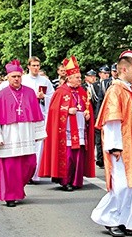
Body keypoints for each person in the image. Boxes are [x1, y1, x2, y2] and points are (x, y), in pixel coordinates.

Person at [91, 52, 132, 237]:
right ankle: (108, 218)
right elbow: (112, 120)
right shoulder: (115, 90)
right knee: (122, 185)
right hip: (121, 147)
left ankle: (124, 220)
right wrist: (114, 146)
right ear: (123, 69)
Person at [0, 60, 46, 207]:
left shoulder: (30, 92)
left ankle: (17, 188)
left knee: (31, 164)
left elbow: (37, 114)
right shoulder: (1, 95)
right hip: (9, 136)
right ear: (8, 77)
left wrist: (39, 134)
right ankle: (10, 196)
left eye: (18, 76)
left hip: (26, 134)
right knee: (10, 169)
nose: (16, 79)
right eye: (13, 76)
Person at [40, 56, 95, 191]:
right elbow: (53, 110)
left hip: (81, 130)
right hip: (66, 132)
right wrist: (66, 111)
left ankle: (76, 181)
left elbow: (87, 107)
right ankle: (65, 181)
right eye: (76, 77)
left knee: (78, 157)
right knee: (68, 157)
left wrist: (88, 115)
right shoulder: (61, 92)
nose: (79, 79)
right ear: (69, 78)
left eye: (80, 77)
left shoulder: (82, 92)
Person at [21, 56, 55, 182]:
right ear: (28, 66)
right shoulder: (23, 80)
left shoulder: (45, 81)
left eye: (37, 65)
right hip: (26, 116)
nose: (35, 68)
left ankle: (35, 173)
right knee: (26, 143)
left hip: (40, 115)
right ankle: (25, 172)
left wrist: (43, 97)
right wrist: (32, 97)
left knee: (38, 144)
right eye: (33, 65)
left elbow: (52, 97)